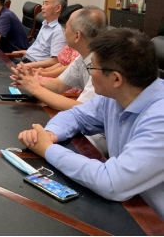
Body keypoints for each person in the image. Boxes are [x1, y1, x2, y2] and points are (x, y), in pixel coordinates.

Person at [18, 29, 164, 220]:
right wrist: (51, 134)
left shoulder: (159, 118)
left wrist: (47, 149)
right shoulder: (116, 95)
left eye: (92, 68)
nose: (90, 74)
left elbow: (112, 182)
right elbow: (77, 116)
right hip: (129, 208)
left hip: (151, 221)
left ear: (116, 79)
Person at [11, 6, 108, 111]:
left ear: (77, 36)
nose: (64, 31)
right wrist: (29, 81)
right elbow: (58, 85)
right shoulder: (82, 57)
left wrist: (35, 89)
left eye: (66, 27)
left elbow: (82, 109)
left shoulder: (103, 65)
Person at [14, 0, 68, 68]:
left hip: (35, 68)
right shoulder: (46, 23)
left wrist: (28, 65)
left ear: (58, 8)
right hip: (27, 60)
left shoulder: (59, 30)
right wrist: (29, 52)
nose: (42, 7)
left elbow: (55, 61)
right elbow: (42, 50)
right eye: (43, 4)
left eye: (46, 4)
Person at [37, 4, 83, 92]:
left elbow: (68, 69)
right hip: (60, 79)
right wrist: (45, 71)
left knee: (35, 83)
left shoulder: (79, 48)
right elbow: (61, 63)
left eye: (65, 27)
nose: (64, 31)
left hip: (67, 85)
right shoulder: (71, 44)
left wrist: (45, 73)